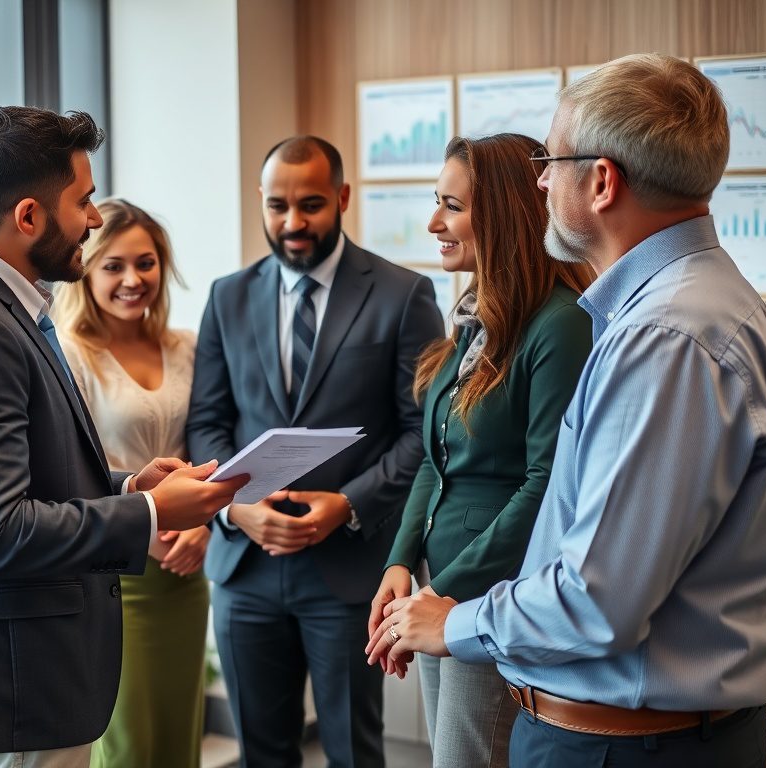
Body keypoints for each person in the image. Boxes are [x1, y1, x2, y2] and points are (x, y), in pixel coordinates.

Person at [367, 53, 766, 768]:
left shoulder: (664, 338)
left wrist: (455, 621)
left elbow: (597, 599)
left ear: (602, 181)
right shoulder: (678, 308)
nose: (540, 182)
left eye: (550, 162)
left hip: (626, 744)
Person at [0, 106, 245, 768]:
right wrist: (152, 512)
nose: (95, 219)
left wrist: (129, 487)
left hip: (22, 676)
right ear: (29, 216)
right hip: (12, 686)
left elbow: (29, 482)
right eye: (82, 201)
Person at [187, 134, 444, 768]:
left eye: (310, 205)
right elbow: (207, 421)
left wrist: (347, 505)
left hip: (348, 569)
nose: (292, 223)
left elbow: (423, 433)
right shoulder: (227, 295)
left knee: (353, 750)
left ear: (342, 198)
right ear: (260, 200)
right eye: (277, 206)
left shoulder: (403, 295)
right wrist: (234, 507)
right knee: (261, 753)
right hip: (245, 568)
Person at [368, 133, 594, 768]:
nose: (433, 223)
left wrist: (442, 594)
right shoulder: (477, 318)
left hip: (492, 597)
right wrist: (401, 564)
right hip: (438, 593)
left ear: (503, 214)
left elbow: (546, 484)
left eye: (452, 206)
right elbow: (434, 460)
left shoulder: (560, 323)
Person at [51, 198, 208, 768]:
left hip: (186, 575)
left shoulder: (187, 346)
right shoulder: (68, 355)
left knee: (179, 739)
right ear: (86, 270)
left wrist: (203, 524)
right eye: (113, 265)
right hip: (115, 576)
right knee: (128, 749)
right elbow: (65, 474)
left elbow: (206, 446)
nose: (132, 279)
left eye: (145, 263)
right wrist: (145, 528)